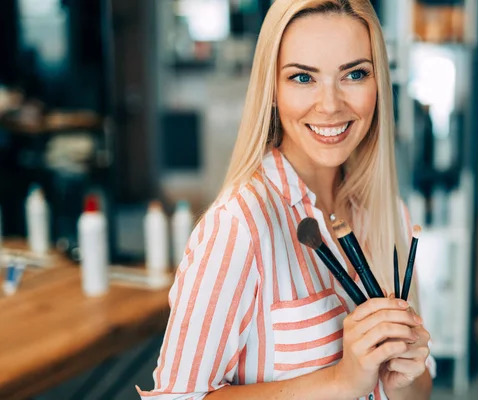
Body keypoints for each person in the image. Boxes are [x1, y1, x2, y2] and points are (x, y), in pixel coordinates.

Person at [138, 1, 435, 399]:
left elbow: (417, 392)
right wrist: (341, 381)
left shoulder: (389, 213)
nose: (330, 105)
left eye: (355, 74)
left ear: (378, 83)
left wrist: (405, 375)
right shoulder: (238, 226)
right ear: (272, 91)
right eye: (302, 78)